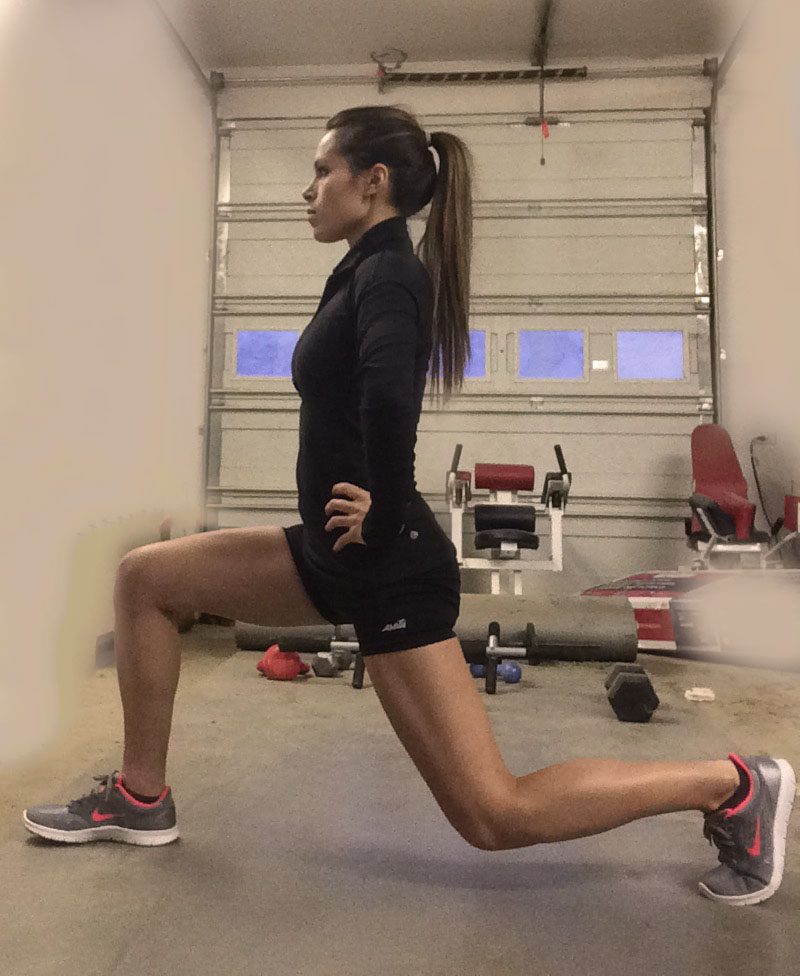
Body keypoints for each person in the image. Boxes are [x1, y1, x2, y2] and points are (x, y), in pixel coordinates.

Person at [23, 105, 795, 907]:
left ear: (373, 182)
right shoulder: (365, 267)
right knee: (145, 579)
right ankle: (141, 797)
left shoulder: (389, 272)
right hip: (330, 555)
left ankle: (733, 785)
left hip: (387, 569)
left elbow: (393, 397)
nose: (308, 190)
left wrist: (386, 512)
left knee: (494, 813)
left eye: (322, 171)